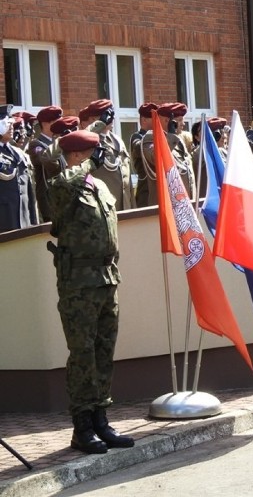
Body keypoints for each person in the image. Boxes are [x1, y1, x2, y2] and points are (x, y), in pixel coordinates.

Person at [47, 129, 134, 454]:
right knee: (82, 355)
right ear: (77, 156)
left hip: (106, 279)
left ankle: (101, 419)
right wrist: (84, 167)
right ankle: (81, 427)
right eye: (93, 153)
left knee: (103, 352)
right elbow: (61, 185)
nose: (100, 157)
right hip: (78, 285)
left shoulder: (98, 188)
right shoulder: (63, 187)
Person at [82, 100, 135, 210]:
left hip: (125, 205)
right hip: (104, 207)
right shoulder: (89, 143)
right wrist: (98, 127)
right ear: (92, 119)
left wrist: (132, 206)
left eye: (112, 114)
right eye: (106, 115)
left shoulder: (117, 140)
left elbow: (127, 177)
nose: (111, 118)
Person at [140, 103, 195, 205]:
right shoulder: (150, 139)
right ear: (168, 121)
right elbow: (157, 158)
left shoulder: (178, 141)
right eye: (179, 120)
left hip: (184, 204)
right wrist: (170, 135)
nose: (183, 124)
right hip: (167, 205)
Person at [0, 104, 39, 232]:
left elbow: (29, 193)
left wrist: (34, 222)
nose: (11, 127)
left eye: (11, 123)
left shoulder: (19, 154)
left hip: (24, 221)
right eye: (6, 123)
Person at [27, 105, 65, 221]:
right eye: (55, 122)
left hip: (63, 197)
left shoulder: (59, 143)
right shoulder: (36, 145)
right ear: (45, 123)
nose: (59, 126)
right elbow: (46, 160)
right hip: (49, 199)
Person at [129, 102, 158, 208]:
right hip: (146, 190)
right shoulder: (137, 137)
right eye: (153, 118)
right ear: (144, 120)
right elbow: (139, 148)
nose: (156, 121)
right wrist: (152, 136)